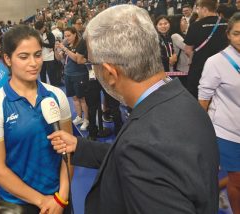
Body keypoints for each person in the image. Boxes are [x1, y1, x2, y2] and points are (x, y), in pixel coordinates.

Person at [48, 5, 219, 213]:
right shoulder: (180, 99)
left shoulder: (143, 141)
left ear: (110, 73)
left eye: (94, 64)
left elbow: (144, 153)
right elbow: (152, 156)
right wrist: (81, 147)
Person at [0, 25, 72, 214]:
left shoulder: (56, 96)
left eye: (37, 55)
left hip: (58, 200)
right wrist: (42, 201)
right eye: (23, 56)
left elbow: (68, 152)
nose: (34, 63)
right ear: (7, 59)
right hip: (16, 204)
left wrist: (61, 196)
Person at [198, 13, 240, 214]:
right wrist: (202, 133)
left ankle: (216, 190)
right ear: (228, 34)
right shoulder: (215, 62)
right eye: (237, 34)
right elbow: (203, 100)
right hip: (227, 131)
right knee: (238, 181)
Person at [184, 0, 228, 98]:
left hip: (200, 70)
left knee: (198, 99)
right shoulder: (227, 23)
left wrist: (191, 59)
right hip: (224, 69)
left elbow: (187, 50)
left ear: (204, 9)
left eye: (198, 9)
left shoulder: (195, 26)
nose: (197, 11)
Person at [55, 27, 89, 131]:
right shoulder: (66, 44)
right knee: (74, 98)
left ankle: (86, 119)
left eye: (69, 35)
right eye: (65, 36)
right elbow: (59, 58)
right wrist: (56, 49)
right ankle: (79, 117)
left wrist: (65, 49)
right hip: (68, 74)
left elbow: (76, 59)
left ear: (75, 34)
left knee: (82, 98)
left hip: (79, 74)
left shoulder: (80, 44)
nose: (67, 38)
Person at [34, 21, 58, 86]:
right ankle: (44, 88)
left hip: (50, 57)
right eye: (37, 30)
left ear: (43, 28)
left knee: (52, 75)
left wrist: (42, 43)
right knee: (42, 75)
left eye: (40, 29)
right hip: (41, 58)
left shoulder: (49, 34)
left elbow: (52, 45)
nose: (38, 31)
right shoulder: (36, 35)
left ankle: (55, 89)